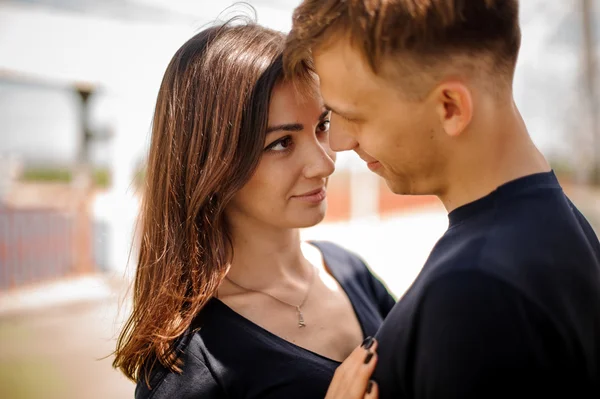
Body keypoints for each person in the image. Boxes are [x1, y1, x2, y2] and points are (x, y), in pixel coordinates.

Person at [284, 0, 600, 398]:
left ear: (450, 107)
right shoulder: (553, 226)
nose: (338, 142)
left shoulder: (476, 293)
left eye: (355, 115)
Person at [112, 21, 395, 399]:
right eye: (281, 143)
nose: (325, 163)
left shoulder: (348, 270)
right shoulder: (189, 367)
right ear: (212, 163)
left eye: (322, 125)